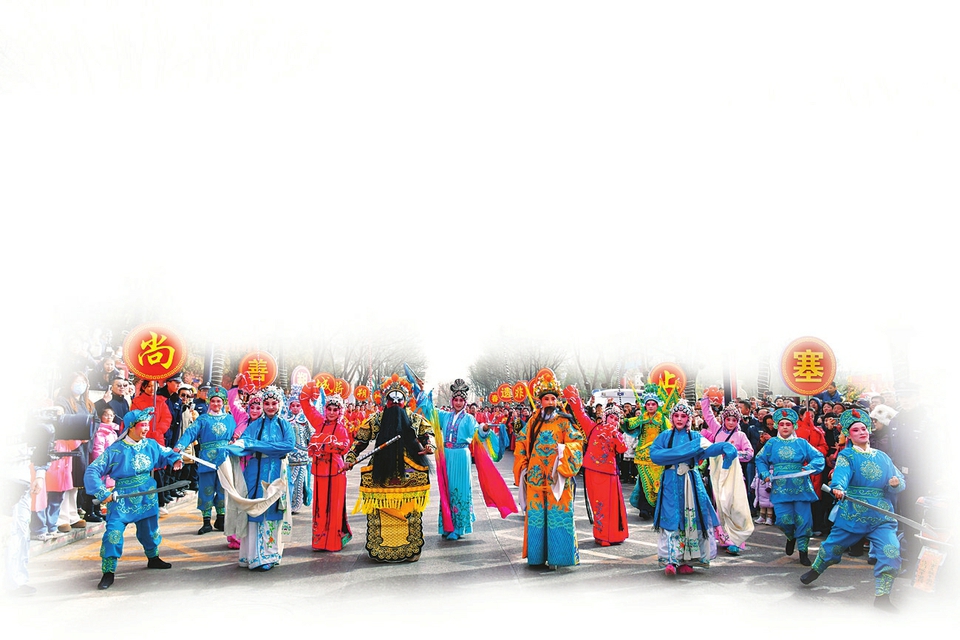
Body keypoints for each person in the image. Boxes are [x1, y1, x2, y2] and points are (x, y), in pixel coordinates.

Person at [800, 408, 906, 612]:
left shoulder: (883, 457)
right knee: (832, 548)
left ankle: (882, 597)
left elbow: (899, 480)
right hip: (853, 513)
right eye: (856, 430)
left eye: (864, 428)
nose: (861, 432)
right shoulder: (847, 455)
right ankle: (817, 569)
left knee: (891, 552)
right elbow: (841, 475)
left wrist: (895, 483)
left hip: (881, 515)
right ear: (849, 435)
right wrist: (838, 488)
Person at [84, 408, 183, 589]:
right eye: (142, 425)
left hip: (147, 495)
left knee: (150, 531)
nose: (146, 428)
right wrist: (103, 493)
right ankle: (108, 572)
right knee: (113, 533)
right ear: (130, 427)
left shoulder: (151, 444)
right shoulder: (115, 450)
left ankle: (153, 558)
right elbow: (92, 470)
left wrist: (175, 459)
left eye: (147, 425)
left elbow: (167, 453)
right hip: (122, 497)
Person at [344, 374, 435, 563]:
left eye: (399, 400)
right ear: (385, 401)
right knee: (381, 508)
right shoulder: (377, 419)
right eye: (391, 400)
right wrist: (351, 458)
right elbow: (360, 440)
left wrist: (429, 446)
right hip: (382, 467)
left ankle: (410, 549)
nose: (395, 403)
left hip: (409, 469)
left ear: (405, 401)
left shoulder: (414, 418)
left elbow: (427, 434)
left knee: (409, 509)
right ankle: (382, 548)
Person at [649, 400, 737, 575]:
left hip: (691, 481)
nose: (679, 419)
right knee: (671, 517)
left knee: (692, 519)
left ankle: (689, 561)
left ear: (688, 418)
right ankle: (671, 560)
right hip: (670, 482)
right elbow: (655, 455)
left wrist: (725, 447)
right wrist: (689, 451)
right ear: (671, 418)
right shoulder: (665, 436)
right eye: (676, 415)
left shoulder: (696, 437)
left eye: (683, 416)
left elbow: (709, 450)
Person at [512, 372, 584, 568]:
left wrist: (563, 452)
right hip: (536, 476)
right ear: (540, 401)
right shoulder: (534, 421)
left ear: (557, 400)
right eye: (547, 399)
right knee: (537, 515)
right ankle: (537, 556)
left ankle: (558, 557)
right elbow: (521, 441)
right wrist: (524, 465)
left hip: (557, 476)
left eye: (553, 398)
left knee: (558, 514)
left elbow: (577, 442)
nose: (550, 402)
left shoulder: (564, 421)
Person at [223, 386, 296, 571]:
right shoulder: (255, 425)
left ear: (279, 404)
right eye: (267, 403)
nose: (270, 407)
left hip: (277, 472)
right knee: (254, 511)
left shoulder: (284, 425)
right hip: (255, 473)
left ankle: (269, 556)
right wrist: (229, 449)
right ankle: (252, 556)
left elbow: (288, 445)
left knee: (272, 511)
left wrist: (257, 445)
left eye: (274, 403)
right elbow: (244, 443)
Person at [754, 407, 826, 566]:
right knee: (783, 520)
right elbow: (760, 459)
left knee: (804, 520)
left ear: (794, 426)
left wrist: (808, 468)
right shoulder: (772, 443)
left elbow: (819, 457)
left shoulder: (802, 443)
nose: (785, 427)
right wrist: (765, 473)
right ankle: (790, 536)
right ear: (777, 426)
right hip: (780, 487)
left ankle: (803, 551)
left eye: (788, 424)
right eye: (782, 424)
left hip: (801, 487)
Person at [565, 387, 629, 547]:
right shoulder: (593, 428)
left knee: (610, 505)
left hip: (609, 473)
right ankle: (600, 535)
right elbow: (581, 415)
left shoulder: (617, 434)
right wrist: (574, 399)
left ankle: (611, 535)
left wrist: (616, 434)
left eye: (616, 419)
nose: (613, 420)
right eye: (611, 417)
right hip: (592, 471)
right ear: (605, 417)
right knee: (598, 504)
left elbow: (622, 449)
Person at [434, 378, 496, 540]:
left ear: (465, 402)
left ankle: (459, 527)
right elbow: (429, 411)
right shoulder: (445, 416)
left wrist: (484, 429)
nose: (458, 403)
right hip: (447, 455)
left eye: (461, 400)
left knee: (460, 489)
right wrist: (421, 393)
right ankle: (447, 525)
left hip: (461, 456)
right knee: (447, 489)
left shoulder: (469, 419)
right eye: (456, 400)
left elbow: (477, 433)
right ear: (452, 401)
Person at [173, 385, 236, 535]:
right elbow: (190, 433)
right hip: (206, 460)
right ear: (209, 402)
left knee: (223, 488)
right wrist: (179, 446)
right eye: (213, 401)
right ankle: (206, 522)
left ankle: (221, 518)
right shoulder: (202, 419)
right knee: (206, 489)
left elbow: (236, 435)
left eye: (218, 401)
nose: (216, 404)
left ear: (223, 402)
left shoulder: (230, 419)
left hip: (224, 459)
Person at [698, 398, 755, 555]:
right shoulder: (717, 430)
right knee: (721, 505)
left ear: (738, 421)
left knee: (735, 506)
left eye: (734, 420)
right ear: (723, 419)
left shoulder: (741, 436)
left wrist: (734, 454)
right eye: (728, 419)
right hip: (716, 474)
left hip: (734, 475)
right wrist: (705, 399)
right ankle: (725, 538)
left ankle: (737, 539)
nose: (730, 422)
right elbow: (708, 415)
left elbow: (750, 453)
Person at [301, 383, 352, 551]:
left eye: (335, 410)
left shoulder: (341, 428)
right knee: (320, 507)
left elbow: (344, 446)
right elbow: (306, 406)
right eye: (329, 409)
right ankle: (320, 541)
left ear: (340, 412)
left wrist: (323, 445)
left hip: (336, 472)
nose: (331, 412)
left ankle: (333, 542)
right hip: (320, 472)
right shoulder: (319, 423)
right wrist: (309, 391)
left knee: (334, 507)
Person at [621, 385, 671, 520]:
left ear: (657, 405)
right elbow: (630, 424)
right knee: (644, 482)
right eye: (648, 404)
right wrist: (623, 420)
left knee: (658, 482)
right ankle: (645, 509)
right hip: (643, 456)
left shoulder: (662, 419)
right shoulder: (642, 417)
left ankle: (656, 508)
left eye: (653, 404)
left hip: (658, 456)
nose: (650, 406)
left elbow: (669, 435)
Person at [285, 390, 312, 515]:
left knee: (300, 482)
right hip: (289, 456)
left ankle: (295, 505)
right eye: (293, 405)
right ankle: (287, 503)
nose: (295, 408)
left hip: (302, 456)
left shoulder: (305, 421)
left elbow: (309, 437)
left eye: (298, 405)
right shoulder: (285, 420)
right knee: (288, 480)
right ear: (289, 406)